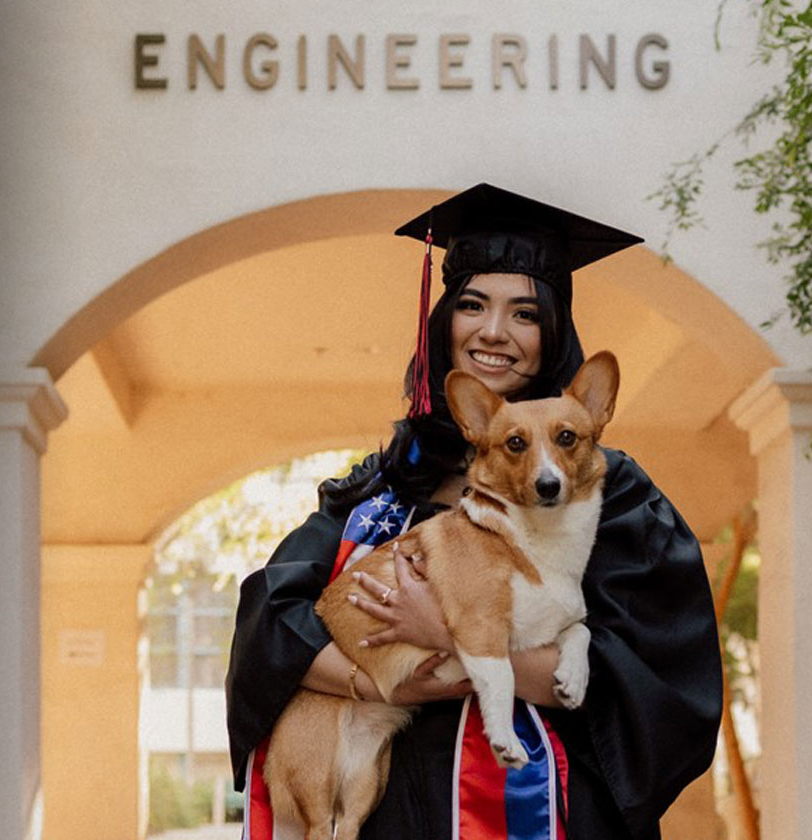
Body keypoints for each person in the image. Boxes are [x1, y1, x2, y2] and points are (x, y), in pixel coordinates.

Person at [226, 184, 722, 840]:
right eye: (472, 305)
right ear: (444, 325)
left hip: (542, 814)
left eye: (523, 313)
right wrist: (384, 687)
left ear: (552, 331)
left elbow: (641, 682)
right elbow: (274, 630)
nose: (494, 332)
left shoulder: (609, 493)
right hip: (383, 816)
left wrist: (449, 632)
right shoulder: (384, 489)